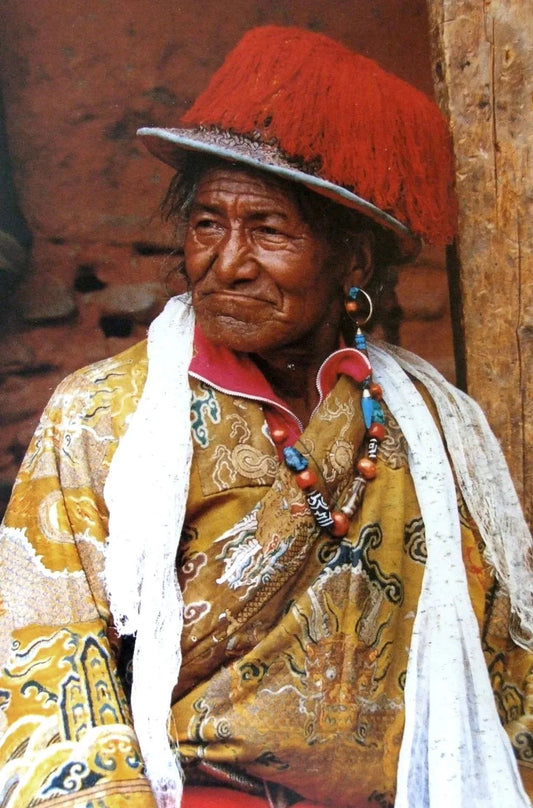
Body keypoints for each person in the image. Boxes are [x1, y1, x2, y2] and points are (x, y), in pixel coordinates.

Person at [0, 25, 531, 808]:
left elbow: (504, 665)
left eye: (270, 230)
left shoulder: (429, 424)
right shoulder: (101, 416)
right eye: (207, 224)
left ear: (353, 260)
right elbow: (45, 657)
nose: (227, 263)